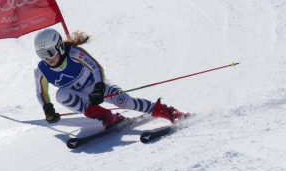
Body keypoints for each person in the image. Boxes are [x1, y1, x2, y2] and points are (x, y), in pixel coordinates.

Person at [34, 28, 190, 129]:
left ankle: (169, 112)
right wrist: (47, 109)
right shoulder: (41, 70)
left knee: (125, 102)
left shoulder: (74, 53)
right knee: (60, 95)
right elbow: (41, 93)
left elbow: (96, 68)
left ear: (59, 47)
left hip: (96, 85)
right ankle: (108, 117)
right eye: (42, 55)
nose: (48, 58)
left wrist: (99, 88)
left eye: (50, 52)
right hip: (82, 96)